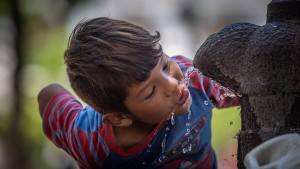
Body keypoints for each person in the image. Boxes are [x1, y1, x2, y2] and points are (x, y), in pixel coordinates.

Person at [38, 17, 240, 169]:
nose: (172, 84)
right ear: (118, 118)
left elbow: (250, 89)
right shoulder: (90, 142)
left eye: (165, 65)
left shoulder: (193, 78)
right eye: (151, 91)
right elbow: (48, 94)